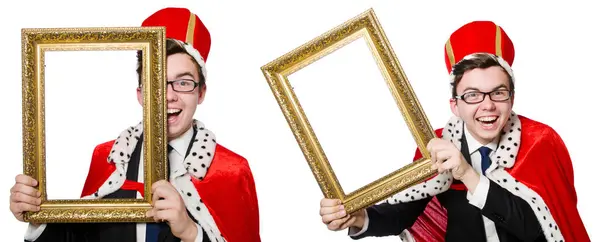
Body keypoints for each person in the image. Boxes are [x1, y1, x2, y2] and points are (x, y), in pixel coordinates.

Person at [318, 20, 590, 242]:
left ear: (511, 99)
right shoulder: (438, 145)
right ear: (455, 105)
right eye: (472, 95)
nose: (488, 106)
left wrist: (467, 174)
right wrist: (358, 218)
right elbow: (402, 215)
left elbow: (539, 229)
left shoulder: (540, 141)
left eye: (498, 93)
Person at [9, 7, 261, 242]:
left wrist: (191, 232)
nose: (169, 95)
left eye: (183, 82)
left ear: (201, 93)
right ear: (140, 93)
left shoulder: (232, 171)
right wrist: (37, 216)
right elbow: (79, 238)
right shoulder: (107, 158)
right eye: (157, 82)